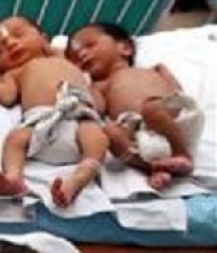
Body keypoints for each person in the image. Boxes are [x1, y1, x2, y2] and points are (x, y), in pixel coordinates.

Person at [0, 16, 109, 207]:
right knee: (15, 139)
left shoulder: (67, 62)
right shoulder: (14, 73)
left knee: (98, 136)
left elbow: (98, 104)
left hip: (77, 115)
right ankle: (13, 178)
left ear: (43, 38)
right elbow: (7, 97)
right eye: (1, 50)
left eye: (18, 35)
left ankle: (81, 174)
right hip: (40, 121)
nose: (10, 43)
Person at [66, 22, 203, 189]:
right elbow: (98, 109)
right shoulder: (99, 85)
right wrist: (85, 83)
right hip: (139, 137)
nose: (82, 54)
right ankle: (153, 167)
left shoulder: (151, 70)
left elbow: (178, 94)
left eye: (89, 45)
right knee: (110, 132)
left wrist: (169, 83)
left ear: (125, 48)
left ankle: (182, 153)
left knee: (152, 108)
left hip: (172, 124)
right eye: (75, 57)